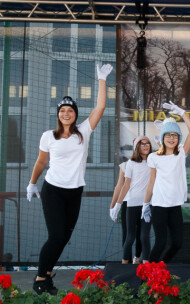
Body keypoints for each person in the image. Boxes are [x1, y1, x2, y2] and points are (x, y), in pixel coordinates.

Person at [27, 64, 113, 294]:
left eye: (70, 110)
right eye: (62, 110)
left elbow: (101, 106)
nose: (66, 113)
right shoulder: (49, 136)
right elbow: (40, 163)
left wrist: (101, 79)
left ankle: (46, 277)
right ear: (58, 115)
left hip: (74, 192)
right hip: (53, 190)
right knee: (55, 236)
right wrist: (32, 183)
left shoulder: (83, 132)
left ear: (75, 114)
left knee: (64, 238)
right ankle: (39, 279)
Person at [143, 102, 190, 262]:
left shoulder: (181, 154)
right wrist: (146, 204)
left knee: (177, 243)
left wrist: (182, 113)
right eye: (168, 135)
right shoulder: (153, 157)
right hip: (159, 205)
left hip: (174, 205)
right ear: (162, 138)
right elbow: (151, 182)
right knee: (160, 242)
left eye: (175, 135)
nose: (171, 138)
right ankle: (147, 275)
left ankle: (161, 267)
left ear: (178, 138)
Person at [112, 136, 152, 264]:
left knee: (145, 236)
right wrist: (117, 204)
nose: (146, 146)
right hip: (132, 204)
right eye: (142, 144)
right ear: (137, 147)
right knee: (130, 237)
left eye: (148, 144)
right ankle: (124, 265)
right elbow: (125, 185)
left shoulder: (153, 162)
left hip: (147, 204)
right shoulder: (131, 163)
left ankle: (144, 265)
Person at [110, 159, 143, 263]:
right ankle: (126, 262)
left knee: (141, 234)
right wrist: (113, 206)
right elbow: (119, 186)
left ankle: (137, 258)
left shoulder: (150, 163)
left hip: (143, 202)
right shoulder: (125, 165)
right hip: (128, 203)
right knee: (127, 233)